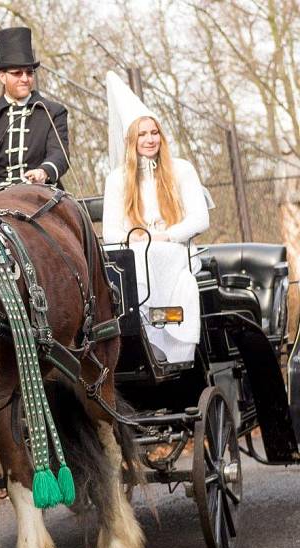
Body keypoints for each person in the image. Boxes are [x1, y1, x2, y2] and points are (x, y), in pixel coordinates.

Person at [102, 71, 210, 364]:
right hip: (137, 253)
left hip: (175, 250)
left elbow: (200, 219)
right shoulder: (117, 180)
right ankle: (142, 334)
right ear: (131, 140)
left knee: (160, 253)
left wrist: (168, 235)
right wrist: (134, 236)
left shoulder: (182, 170)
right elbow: (111, 233)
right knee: (133, 260)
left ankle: (172, 337)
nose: (150, 140)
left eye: (154, 133)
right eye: (143, 134)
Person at [0, 27, 69, 190]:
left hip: (43, 192)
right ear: (2, 76)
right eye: (17, 73)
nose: (25, 79)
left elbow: (59, 154)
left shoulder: (53, 112)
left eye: (29, 73)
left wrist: (43, 172)